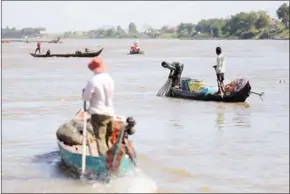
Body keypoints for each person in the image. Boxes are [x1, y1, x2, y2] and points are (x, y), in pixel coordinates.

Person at [82, 56, 115, 156]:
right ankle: (111, 158)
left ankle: (104, 162)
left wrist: (84, 93)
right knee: (108, 138)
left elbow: (86, 97)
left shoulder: (93, 80)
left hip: (98, 113)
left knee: (100, 139)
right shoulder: (109, 78)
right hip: (110, 112)